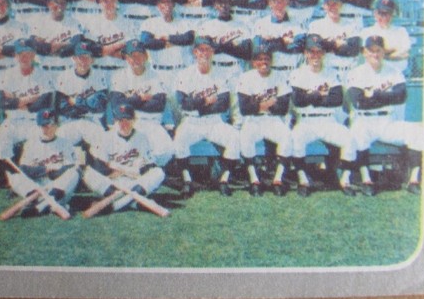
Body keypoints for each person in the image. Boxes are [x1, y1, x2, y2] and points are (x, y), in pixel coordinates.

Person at [345, 36, 424, 195]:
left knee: (417, 132)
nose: (375, 54)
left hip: (387, 121)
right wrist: (387, 96)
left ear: (383, 52)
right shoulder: (356, 73)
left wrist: (374, 95)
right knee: (358, 134)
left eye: (378, 50)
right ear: (364, 52)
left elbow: (401, 96)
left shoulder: (394, 72)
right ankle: (366, 180)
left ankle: (413, 180)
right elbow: (359, 102)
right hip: (364, 120)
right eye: (371, 51)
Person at [173, 36, 241, 196]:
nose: (204, 53)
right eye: (201, 50)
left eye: (208, 49)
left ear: (213, 52)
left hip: (214, 122)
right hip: (191, 121)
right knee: (179, 139)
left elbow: (223, 103)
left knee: (234, 138)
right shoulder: (185, 74)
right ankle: (187, 180)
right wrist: (205, 100)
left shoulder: (220, 74)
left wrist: (197, 105)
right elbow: (183, 103)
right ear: (195, 52)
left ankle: (224, 180)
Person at [288, 34, 352, 196]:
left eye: (319, 52)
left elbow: (337, 99)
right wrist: (320, 95)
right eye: (311, 52)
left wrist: (310, 96)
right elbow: (298, 101)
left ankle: (345, 180)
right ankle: (303, 180)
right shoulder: (298, 73)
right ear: (305, 53)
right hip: (306, 122)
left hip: (328, 121)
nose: (315, 55)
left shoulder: (331, 73)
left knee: (349, 139)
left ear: (324, 53)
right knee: (295, 139)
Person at [82, 103, 166, 214]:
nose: (124, 124)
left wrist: (116, 167)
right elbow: (100, 168)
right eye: (120, 120)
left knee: (158, 172)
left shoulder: (142, 137)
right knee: (88, 174)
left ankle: (113, 206)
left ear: (134, 120)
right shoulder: (106, 137)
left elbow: (146, 168)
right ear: (115, 121)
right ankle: (135, 202)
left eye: (128, 120)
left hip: (136, 183)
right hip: (113, 184)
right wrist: (130, 170)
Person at [236, 40, 293, 196]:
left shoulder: (280, 76)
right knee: (245, 137)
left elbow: (283, 108)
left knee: (287, 137)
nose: (263, 62)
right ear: (254, 62)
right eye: (259, 59)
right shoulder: (246, 77)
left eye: (266, 58)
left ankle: (278, 179)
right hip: (253, 120)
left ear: (271, 60)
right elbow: (244, 108)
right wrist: (269, 103)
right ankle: (254, 179)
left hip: (273, 120)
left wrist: (257, 104)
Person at [5, 109, 81, 217]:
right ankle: (47, 205)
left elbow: (68, 168)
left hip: (58, 188)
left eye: (50, 125)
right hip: (36, 188)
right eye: (44, 126)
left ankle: (40, 207)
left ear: (57, 125)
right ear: (39, 126)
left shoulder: (65, 143)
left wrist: (53, 171)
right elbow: (24, 170)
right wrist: (46, 169)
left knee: (73, 173)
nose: (47, 129)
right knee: (14, 176)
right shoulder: (30, 144)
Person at [108, 40, 175, 164]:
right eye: (131, 56)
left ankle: (150, 169)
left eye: (139, 55)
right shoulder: (119, 76)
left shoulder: (156, 75)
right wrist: (141, 98)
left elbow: (158, 105)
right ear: (126, 58)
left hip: (152, 123)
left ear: (145, 56)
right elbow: (117, 104)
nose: (135, 59)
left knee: (167, 150)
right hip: (129, 122)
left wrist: (129, 101)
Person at [0, 40, 56, 166]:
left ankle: (31, 172)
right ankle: (10, 172)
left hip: (35, 122)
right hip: (12, 121)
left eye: (28, 53)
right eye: (20, 54)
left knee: (38, 146)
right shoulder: (6, 74)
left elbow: (44, 103)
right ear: (15, 56)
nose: (24, 57)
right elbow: (2, 103)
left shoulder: (44, 74)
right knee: (1, 140)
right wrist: (30, 99)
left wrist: (14, 101)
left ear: (33, 55)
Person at [55, 39, 110, 159]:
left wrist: (76, 101)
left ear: (92, 59)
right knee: (58, 142)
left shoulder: (99, 75)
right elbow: (62, 107)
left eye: (87, 57)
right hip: (69, 121)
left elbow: (100, 105)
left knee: (103, 142)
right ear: (74, 58)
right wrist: (88, 103)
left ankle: (98, 168)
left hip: (92, 120)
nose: (83, 61)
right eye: (80, 57)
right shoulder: (64, 77)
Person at [28, 0, 86, 81]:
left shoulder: (75, 23)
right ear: (49, 3)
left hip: (68, 73)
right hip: (45, 73)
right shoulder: (39, 23)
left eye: (63, 2)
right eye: (56, 2)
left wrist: (49, 47)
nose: (60, 6)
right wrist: (65, 45)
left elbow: (76, 46)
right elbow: (35, 47)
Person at [80, 0, 134, 76]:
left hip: (122, 71)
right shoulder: (91, 24)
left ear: (117, 0)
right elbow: (90, 53)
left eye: (112, 0)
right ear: (100, 2)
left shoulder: (128, 23)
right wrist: (115, 48)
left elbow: (130, 52)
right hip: (98, 72)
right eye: (105, 1)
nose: (109, 4)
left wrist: (103, 50)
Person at [195, 0, 251, 76]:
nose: (224, 5)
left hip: (236, 70)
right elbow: (203, 51)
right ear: (215, 5)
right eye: (220, 2)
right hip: (215, 70)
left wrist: (218, 45)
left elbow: (247, 54)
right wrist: (233, 46)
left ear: (231, 3)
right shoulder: (206, 27)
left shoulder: (242, 26)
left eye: (226, 1)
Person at [307, 0, 362, 84]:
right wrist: (338, 44)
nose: (333, 7)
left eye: (335, 3)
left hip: (349, 74)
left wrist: (329, 45)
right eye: (329, 4)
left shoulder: (352, 25)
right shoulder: (316, 26)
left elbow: (354, 50)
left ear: (341, 5)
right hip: (327, 73)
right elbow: (314, 49)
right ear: (324, 6)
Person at [250, 0, 306, 75]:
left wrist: (271, 43)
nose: (279, 4)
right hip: (271, 73)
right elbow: (258, 48)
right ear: (270, 3)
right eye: (275, 1)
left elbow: (299, 47)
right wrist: (283, 41)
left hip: (292, 72)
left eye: (282, 0)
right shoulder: (260, 24)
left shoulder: (297, 24)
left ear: (287, 2)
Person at [359, 0, 412, 78]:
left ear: (392, 14)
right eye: (381, 13)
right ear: (375, 13)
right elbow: (366, 54)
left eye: (388, 13)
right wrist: (393, 50)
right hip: (374, 76)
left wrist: (380, 54)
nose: (384, 17)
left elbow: (405, 54)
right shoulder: (366, 32)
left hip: (398, 75)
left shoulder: (401, 31)